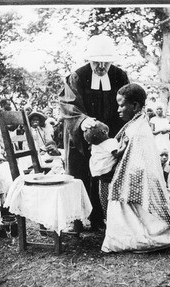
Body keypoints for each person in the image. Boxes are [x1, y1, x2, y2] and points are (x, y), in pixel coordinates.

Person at [101, 83, 170, 253]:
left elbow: (138, 161)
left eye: (122, 105)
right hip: (131, 177)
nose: (119, 109)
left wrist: (121, 178)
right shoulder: (136, 124)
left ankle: (151, 239)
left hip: (136, 178)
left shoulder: (140, 128)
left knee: (139, 217)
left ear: (135, 106)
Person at [60, 34, 129, 230]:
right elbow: (67, 104)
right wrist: (83, 121)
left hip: (110, 133)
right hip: (80, 133)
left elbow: (129, 99)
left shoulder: (119, 76)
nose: (100, 67)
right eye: (96, 62)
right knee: (78, 174)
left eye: (105, 63)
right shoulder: (76, 76)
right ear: (88, 59)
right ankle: (77, 220)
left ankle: (100, 218)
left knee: (106, 174)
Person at [83, 120, 129, 219]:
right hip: (107, 168)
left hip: (97, 171)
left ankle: (106, 217)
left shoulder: (94, 145)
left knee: (104, 193)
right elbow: (116, 154)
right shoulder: (110, 142)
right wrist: (124, 144)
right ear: (104, 132)